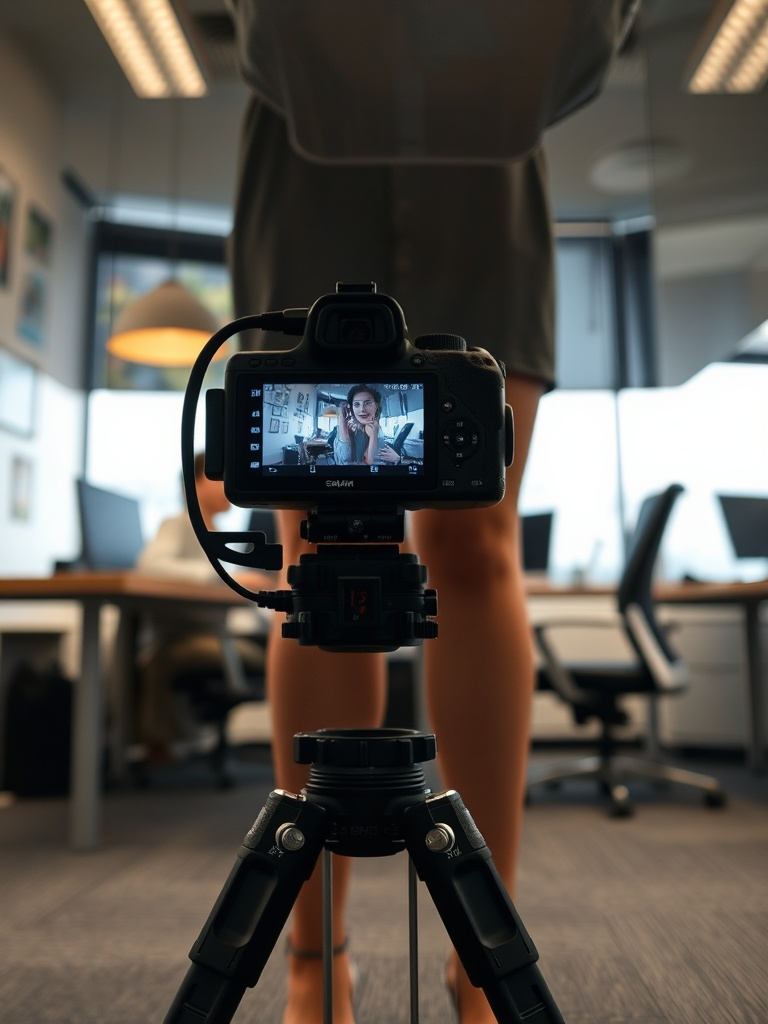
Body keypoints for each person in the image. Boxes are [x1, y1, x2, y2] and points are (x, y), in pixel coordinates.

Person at [223, 5, 623, 1022]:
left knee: (477, 544)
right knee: (314, 545)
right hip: (308, 113)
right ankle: (316, 957)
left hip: (485, 132)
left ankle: (480, 956)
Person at [136, 453, 273, 763]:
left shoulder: (217, 534)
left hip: (213, 634)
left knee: (272, 644)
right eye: (218, 477)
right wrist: (224, 577)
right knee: (271, 652)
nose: (228, 484)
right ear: (193, 484)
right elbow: (150, 566)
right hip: (184, 639)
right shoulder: (178, 523)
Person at [333, 385, 400, 466]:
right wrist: (343, 426)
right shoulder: (347, 431)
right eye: (357, 404)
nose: (362, 409)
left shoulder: (378, 432)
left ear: (376, 406)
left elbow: (376, 463)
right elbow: (346, 462)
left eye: (368, 403)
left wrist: (398, 459)